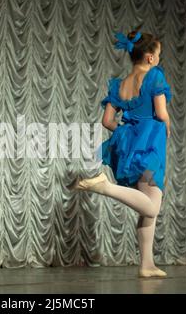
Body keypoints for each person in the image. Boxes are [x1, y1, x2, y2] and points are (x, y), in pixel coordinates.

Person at [67, 31, 172, 278]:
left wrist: (127, 132)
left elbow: (107, 120)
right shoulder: (154, 75)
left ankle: (146, 264)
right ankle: (105, 187)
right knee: (152, 207)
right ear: (149, 57)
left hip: (130, 145)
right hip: (150, 144)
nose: (158, 59)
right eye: (158, 54)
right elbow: (161, 111)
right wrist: (166, 126)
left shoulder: (120, 85)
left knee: (147, 203)